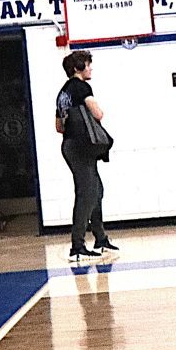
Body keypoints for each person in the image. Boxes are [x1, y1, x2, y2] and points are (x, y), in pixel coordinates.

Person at [56, 50, 117, 260]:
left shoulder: (63, 93)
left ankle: (100, 239)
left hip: (71, 146)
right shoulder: (81, 87)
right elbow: (98, 113)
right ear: (77, 68)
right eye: (88, 64)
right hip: (81, 148)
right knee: (87, 194)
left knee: (96, 190)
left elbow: (58, 126)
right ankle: (77, 246)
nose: (90, 68)